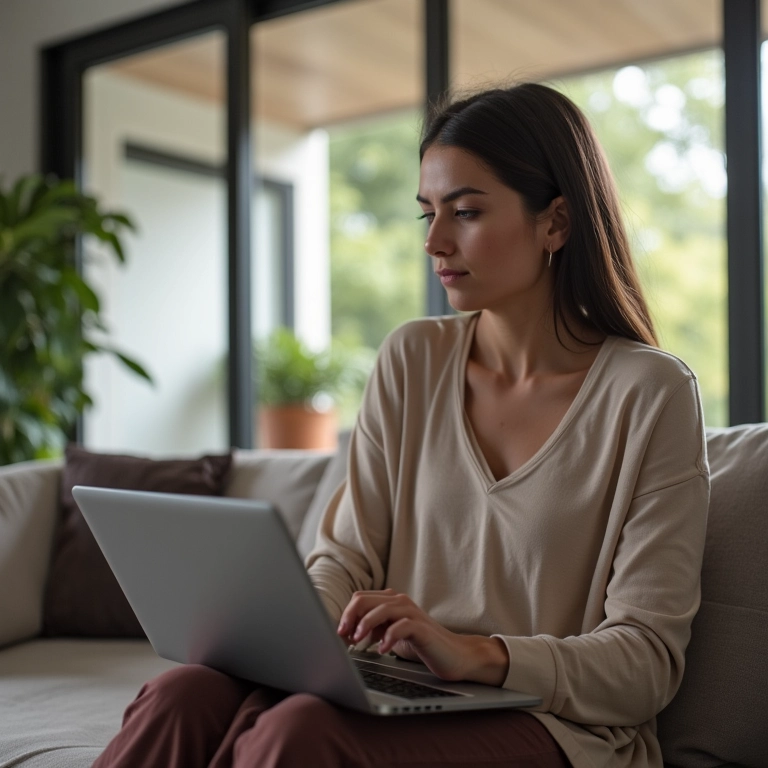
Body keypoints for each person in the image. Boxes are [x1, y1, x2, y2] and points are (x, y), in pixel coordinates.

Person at [92, 83, 709, 768]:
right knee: (184, 694)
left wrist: (474, 653)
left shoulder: (651, 394)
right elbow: (346, 557)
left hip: (556, 728)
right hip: (401, 690)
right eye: (427, 215)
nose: (436, 242)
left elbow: (646, 663)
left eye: (466, 212)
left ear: (556, 223)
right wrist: (297, 633)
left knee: (301, 733)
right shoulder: (412, 358)